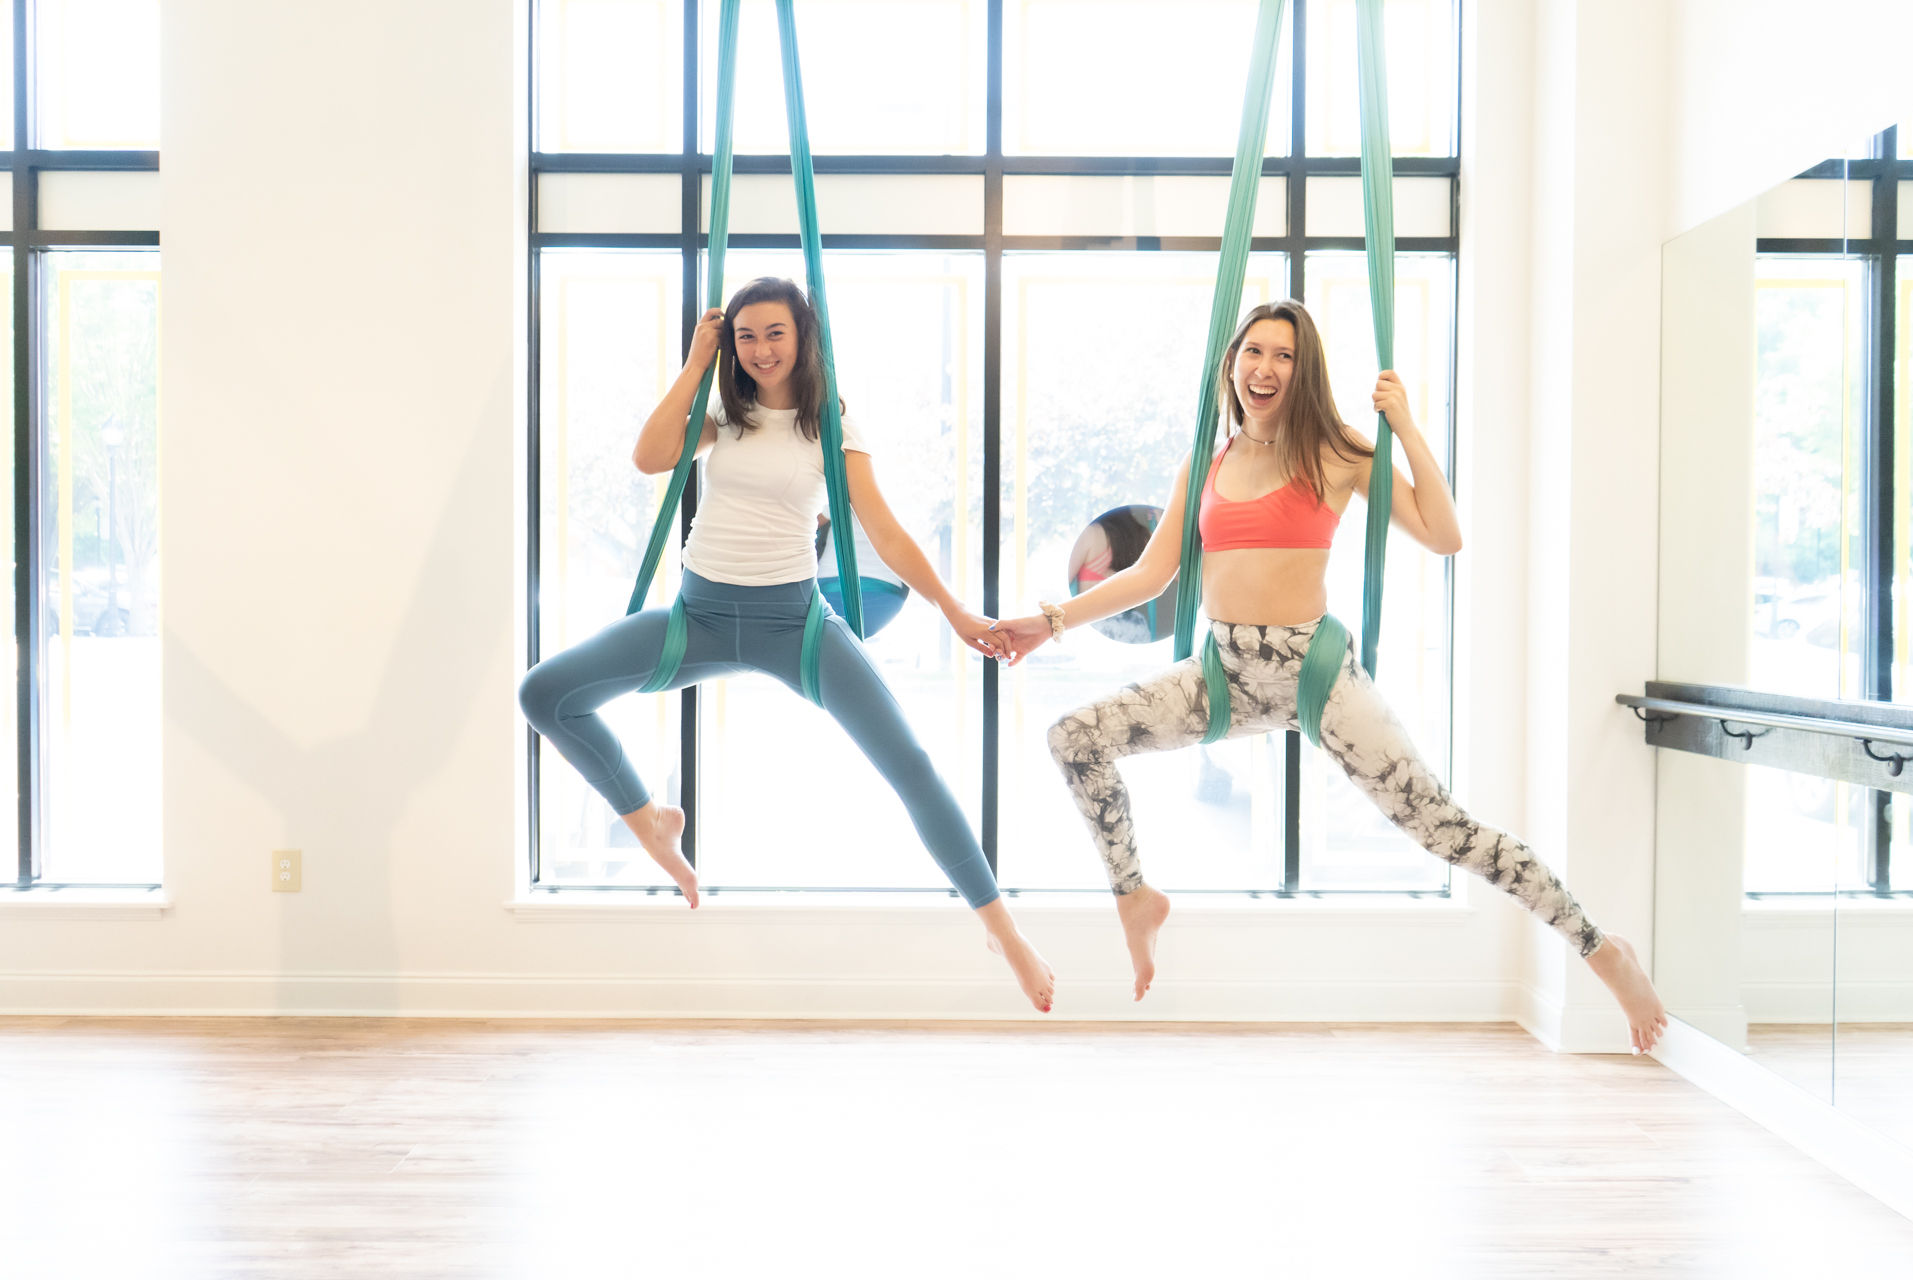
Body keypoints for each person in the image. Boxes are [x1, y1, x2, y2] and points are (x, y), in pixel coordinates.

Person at [992, 299, 1666, 1051]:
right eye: (1254, 352)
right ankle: (1136, 899)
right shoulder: (1206, 462)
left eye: (1283, 355)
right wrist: (1048, 622)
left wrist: (1404, 427)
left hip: (1316, 673)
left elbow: (1445, 535)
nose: (1265, 368)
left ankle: (1604, 953)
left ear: (1302, 369)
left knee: (1445, 828)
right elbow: (1152, 575)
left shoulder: (1336, 453)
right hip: (1224, 674)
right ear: (1233, 365)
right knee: (1074, 737)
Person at [520, 277, 1055, 1012]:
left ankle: (1002, 929)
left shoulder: (828, 423)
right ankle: (651, 822)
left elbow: (889, 533)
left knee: (912, 765)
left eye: (775, 333)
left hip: (794, 626)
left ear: (802, 337)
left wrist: (955, 610)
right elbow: (649, 457)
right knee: (544, 694)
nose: (762, 349)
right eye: (746, 336)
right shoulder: (720, 414)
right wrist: (696, 363)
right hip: (697, 618)